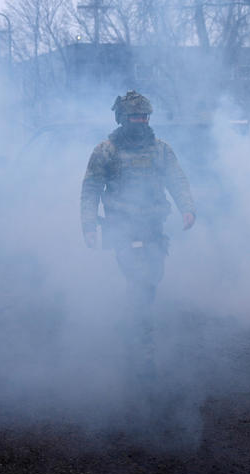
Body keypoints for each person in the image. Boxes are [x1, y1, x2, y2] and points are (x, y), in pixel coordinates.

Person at [80, 91, 196, 385]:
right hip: (123, 231)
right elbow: (91, 188)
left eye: (144, 116)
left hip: (154, 230)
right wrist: (89, 225)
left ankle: (130, 325)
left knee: (151, 281)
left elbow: (177, 179)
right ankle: (143, 357)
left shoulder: (160, 150)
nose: (140, 121)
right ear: (122, 118)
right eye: (134, 116)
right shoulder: (106, 151)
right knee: (140, 284)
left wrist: (187, 209)